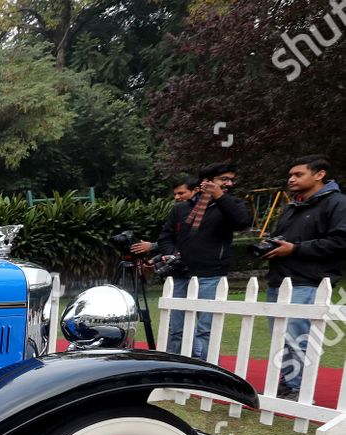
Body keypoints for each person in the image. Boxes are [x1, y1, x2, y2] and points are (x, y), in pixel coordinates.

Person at [262, 155, 346, 399]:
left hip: (310, 281)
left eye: (298, 174)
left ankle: (298, 388)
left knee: (298, 338)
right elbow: (282, 240)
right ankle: (287, 384)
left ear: (319, 174)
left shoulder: (338, 203)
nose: (291, 179)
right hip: (280, 280)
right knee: (280, 338)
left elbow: (340, 242)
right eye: (290, 175)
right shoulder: (292, 206)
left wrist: (295, 248)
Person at [154, 162, 252, 358]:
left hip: (211, 274)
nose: (230, 183)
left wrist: (220, 197)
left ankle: (205, 370)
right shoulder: (181, 209)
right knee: (177, 328)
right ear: (206, 182)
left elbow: (242, 222)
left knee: (206, 329)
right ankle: (177, 367)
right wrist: (171, 253)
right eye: (224, 179)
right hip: (180, 274)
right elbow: (165, 237)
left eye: (231, 180)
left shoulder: (232, 205)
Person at [133, 178, 201, 256]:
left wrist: (152, 246)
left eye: (181, 193)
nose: (177, 197)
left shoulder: (209, 209)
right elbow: (167, 239)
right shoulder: (177, 210)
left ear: (196, 190)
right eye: (175, 194)